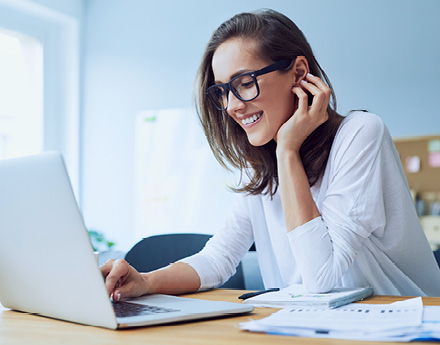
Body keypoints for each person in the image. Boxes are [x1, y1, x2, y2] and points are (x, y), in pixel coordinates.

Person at [100, 9, 440, 299]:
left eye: (245, 82)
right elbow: (218, 258)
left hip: (402, 329)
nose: (232, 106)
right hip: (308, 330)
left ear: (299, 73)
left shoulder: (361, 133)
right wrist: (145, 281)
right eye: (222, 91)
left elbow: (321, 278)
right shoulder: (262, 167)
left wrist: (288, 149)